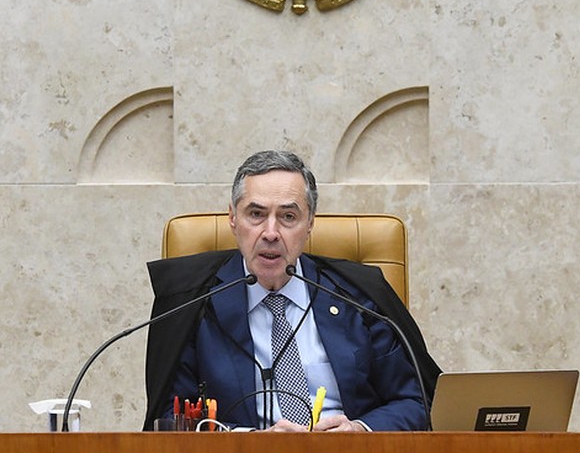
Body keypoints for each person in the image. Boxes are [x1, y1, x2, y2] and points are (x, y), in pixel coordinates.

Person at [142, 150, 441, 432]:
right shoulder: (193, 303)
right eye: (256, 214)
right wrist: (251, 441)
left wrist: (359, 430)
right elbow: (170, 419)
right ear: (233, 218)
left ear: (310, 222)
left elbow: (416, 400)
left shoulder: (357, 297)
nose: (271, 233)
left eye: (288, 217)